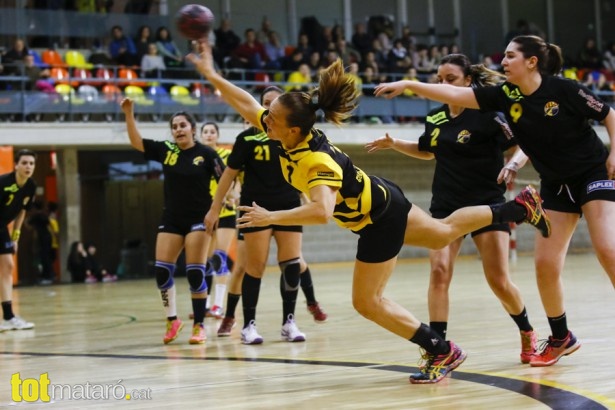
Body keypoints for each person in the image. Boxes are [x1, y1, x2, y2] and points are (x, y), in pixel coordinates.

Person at [189, 41, 549, 383]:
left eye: (270, 120)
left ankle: (440, 350)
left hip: (377, 220)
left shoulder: (314, 161)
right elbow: (245, 101)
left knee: (366, 302)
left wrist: (271, 217)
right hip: (383, 196)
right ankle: (517, 207)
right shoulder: (285, 128)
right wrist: (209, 72)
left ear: (291, 129)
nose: (263, 121)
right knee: (442, 232)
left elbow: (321, 212)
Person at [373, 35, 615, 367]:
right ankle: (560, 337)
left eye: (511, 56)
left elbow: (608, 114)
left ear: (531, 62)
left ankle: (537, 333)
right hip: (553, 185)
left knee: (607, 250)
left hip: (590, 174)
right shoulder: (504, 96)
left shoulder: (564, 90)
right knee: (544, 265)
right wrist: (410, 84)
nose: (503, 61)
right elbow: (454, 97)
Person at [365, 53, 538, 365]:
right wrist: (395, 143)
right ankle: (439, 348)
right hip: (446, 205)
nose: (443, 84)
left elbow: (525, 142)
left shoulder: (489, 113)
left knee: (498, 279)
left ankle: (526, 331)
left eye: (451, 79)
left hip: (487, 204)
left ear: (468, 81)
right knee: (439, 271)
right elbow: (428, 151)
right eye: (440, 79)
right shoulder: (436, 117)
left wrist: (513, 164)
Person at [213, 87, 329, 339]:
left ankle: (289, 322)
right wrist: (215, 207)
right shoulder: (246, 140)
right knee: (253, 267)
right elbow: (229, 176)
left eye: (273, 105)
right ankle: (247, 326)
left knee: (291, 265)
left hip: (288, 206)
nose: (267, 111)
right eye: (265, 105)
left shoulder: (291, 138)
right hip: (255, 209)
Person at [120, 98, 225, 345]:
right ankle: (172, 320)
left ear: (192, 128)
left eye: (182, 125)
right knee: (161, 271)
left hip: (199, 218)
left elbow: (226, 180)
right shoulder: (167, 150)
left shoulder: (207, 154)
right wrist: (129, 113)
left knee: (194, 272)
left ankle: (199, 325)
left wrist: (216, 211)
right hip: (172, 218)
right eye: (174, 126)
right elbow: (137, 142)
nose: (178, 129)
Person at [199, 121, 239, 319]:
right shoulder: (197, 158)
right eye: (205, 132)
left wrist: (231, 197)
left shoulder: (224, 155)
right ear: (200, 135)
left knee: (220, 258)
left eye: (212, 132)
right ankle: (204, 304)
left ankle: (218, 305)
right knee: (205, 260)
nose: (208, 135)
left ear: (217, 135)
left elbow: (234, 181)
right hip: (204, 213)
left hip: (225, 213)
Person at [0, 149, 37, 331]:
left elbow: (22, 211)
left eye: (31, 163)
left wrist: (16, 237)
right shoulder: (3, 183)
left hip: (2, 227)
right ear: (16, 165)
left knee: (8, 266)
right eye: (24, 163)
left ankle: (8, 317)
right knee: (7, 265)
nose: (28, 166)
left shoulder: (30, 186)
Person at [27, 200, 56, 285]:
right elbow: (50, 226)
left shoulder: (35, 216)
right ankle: (48, 276)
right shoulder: (44, 215)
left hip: (42, 238)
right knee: (46, 257)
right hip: (48, 237)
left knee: (44, 257)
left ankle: (48, 277)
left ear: (34, 208)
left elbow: (27, 224)